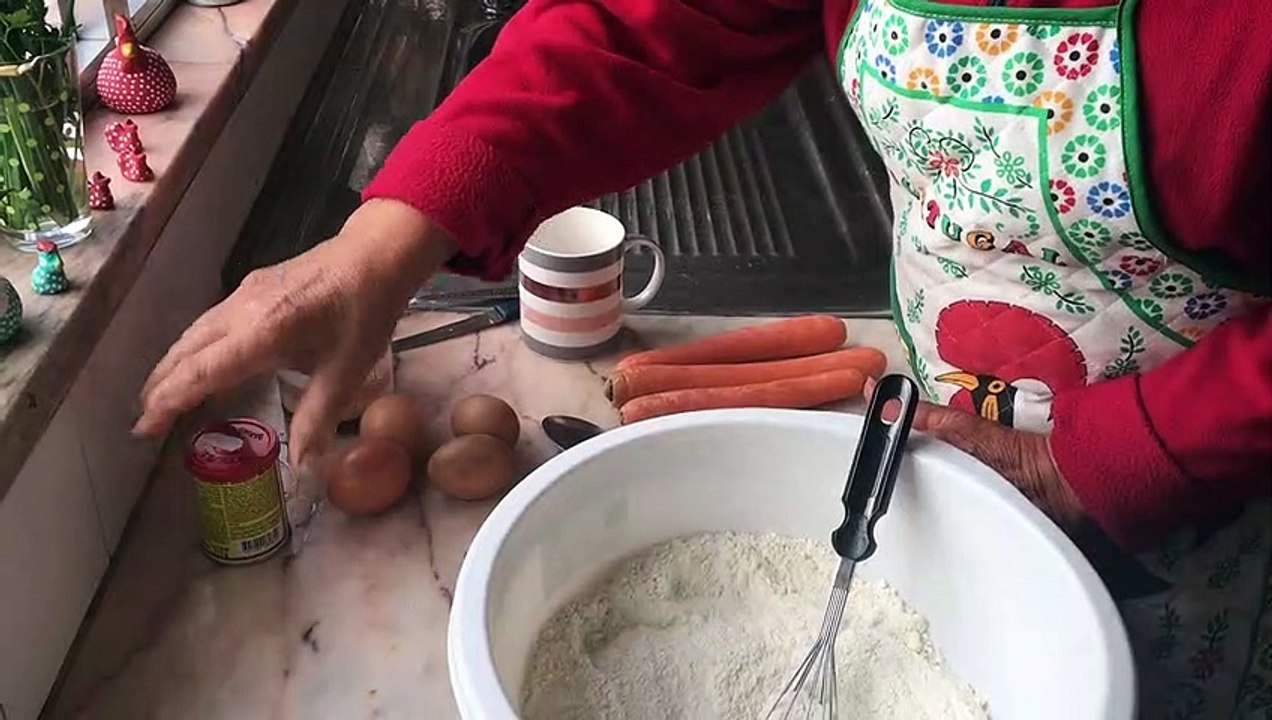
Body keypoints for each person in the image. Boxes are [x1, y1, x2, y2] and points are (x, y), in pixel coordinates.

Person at [136, 0, 1270, 713]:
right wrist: (389, 237)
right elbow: (650, 23)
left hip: (1216, 476)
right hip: (947, 437)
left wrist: (1119, 455)